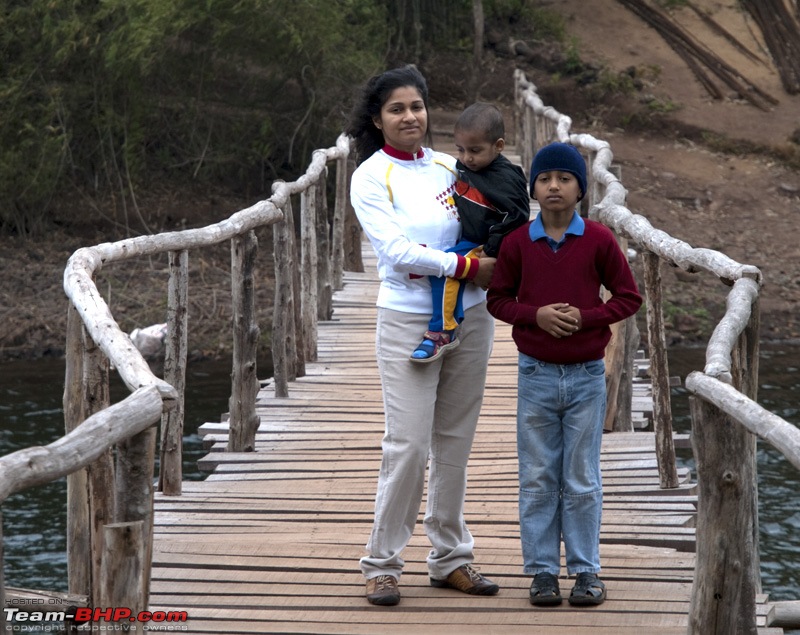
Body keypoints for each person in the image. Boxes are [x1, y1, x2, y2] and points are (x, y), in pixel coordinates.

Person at [346, 65, 500, 607]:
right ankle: (382, 563)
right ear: (378, 119)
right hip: (408, 320)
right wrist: (464, 267)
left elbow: (488, 224)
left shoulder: (449, 167)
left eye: (416, 106)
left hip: (473, 317)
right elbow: (396, 252)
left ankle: (450, 558)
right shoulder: (370, 177)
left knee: (454, 443)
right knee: (408, 445)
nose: (410, 117)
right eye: (396, 109)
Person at [486, 142, 642, 607]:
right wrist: (536, 317)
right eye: (545, 178)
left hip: (586, 376)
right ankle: (541, 573)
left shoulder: (597, 240)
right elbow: (498, 300)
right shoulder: (517, 243)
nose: (554, 186)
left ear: (581, 189)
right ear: (533, 187)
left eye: (565, 179)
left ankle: (586, 570)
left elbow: (627, 297)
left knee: (580, 476)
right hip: (535, 374)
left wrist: (586, 316)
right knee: (536, 476)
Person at [409, 102, 530, 363]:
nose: (466, 158)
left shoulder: (504, 178)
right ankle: (453, 316)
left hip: (486, 242)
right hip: (470, 237)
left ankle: (443, 330)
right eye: (461, 150)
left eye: (475, 150)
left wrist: (491, 249)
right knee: (443, 266)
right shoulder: (465, 167)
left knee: (449, 272)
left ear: (498, 146)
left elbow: (518, 215)